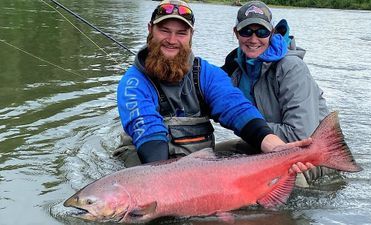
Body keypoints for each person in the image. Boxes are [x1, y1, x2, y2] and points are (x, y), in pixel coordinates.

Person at [114, 0, 313, 175]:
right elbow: (149, 134)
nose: (172, 40)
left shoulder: (207, 74)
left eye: (181, 33)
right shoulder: (133, 83)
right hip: (148, 161)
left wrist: (275, 147)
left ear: (191, 35)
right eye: (164, 30)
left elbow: (236, 109)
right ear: (150, 30)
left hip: (193, 161)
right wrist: (166, 185)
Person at [220, 1, 335, 187]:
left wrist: (245, 124)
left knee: (291, 185)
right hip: (269, 148)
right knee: (212, 158)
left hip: (311, 156)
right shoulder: (234, 68)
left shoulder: (292, 68)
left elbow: (300, 137)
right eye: (246, 32)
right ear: (236, 33)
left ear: (271, 33)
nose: (254, 39)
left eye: (262, 32)